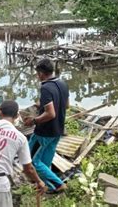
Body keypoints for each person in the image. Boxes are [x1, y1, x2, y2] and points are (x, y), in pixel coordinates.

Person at [0, 100, 45, 207]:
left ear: (0, 112)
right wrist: (39, 181)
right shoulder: (20, 138)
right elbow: (28, 169)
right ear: (17, 115)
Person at [24, 58, 69, 193]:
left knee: (31, 161)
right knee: (45, 160)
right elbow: (66, 105)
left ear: (41, 73)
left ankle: (59, 184)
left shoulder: (46, 88)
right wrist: (41, 105)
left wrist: (33, 121)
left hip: (44, 133)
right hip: (58, 130)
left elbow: (50, 114)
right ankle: (48, 184)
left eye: (37, 73)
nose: (37, 76)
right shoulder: (62, 83)